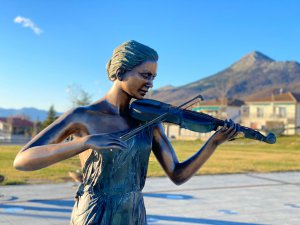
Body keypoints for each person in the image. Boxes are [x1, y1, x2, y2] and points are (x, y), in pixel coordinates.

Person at [14, 40, 238, 225]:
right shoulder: (83, 116)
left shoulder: (149, 120)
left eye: (153, 77)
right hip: (94, 213)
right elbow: (23, 161)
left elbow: (178, 175)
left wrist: (213, 143)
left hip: (132, 213)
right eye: (145, 75)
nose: (150, 83)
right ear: (121, 73)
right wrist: (85, 142)